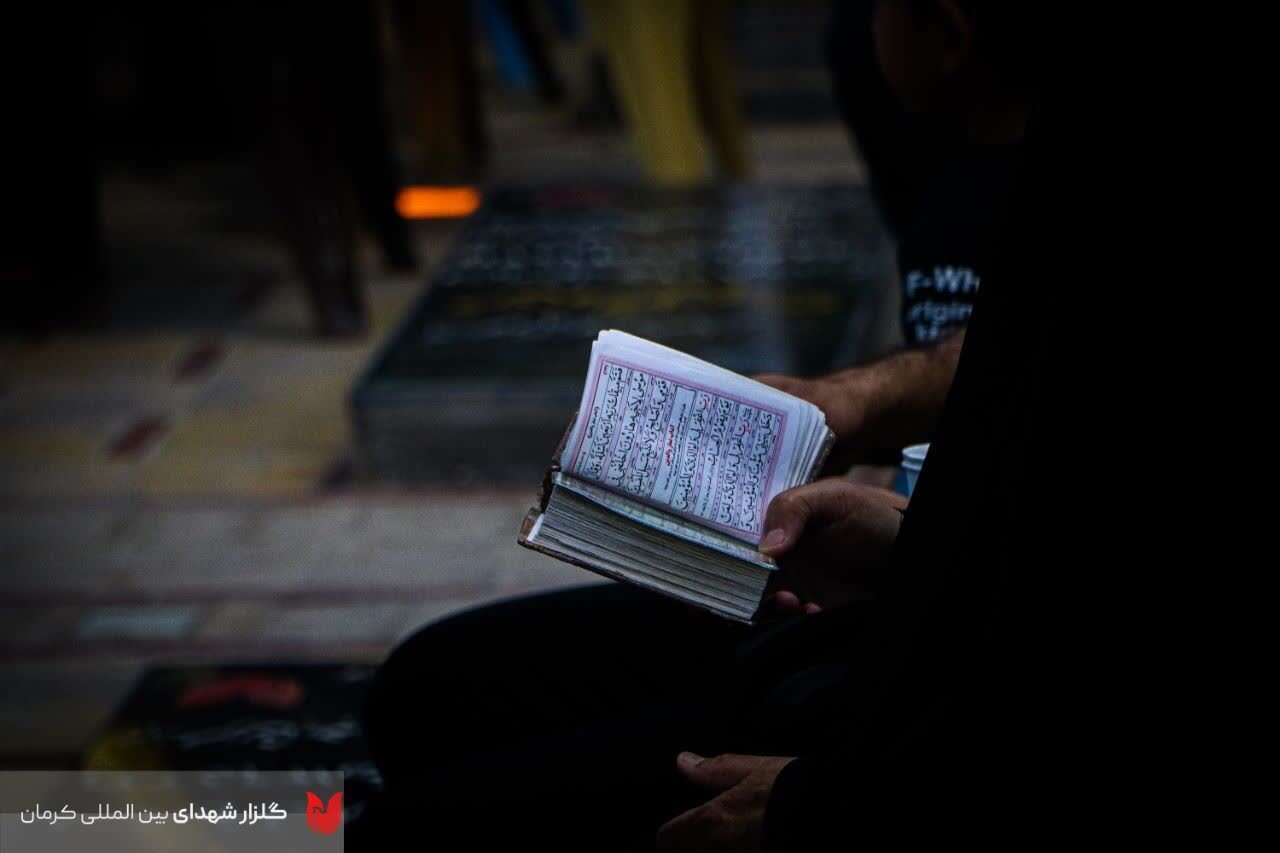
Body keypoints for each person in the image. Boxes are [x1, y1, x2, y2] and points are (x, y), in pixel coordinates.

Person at [355, 2, 1065, 848]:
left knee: (392, 828)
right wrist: (902, 535)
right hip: (901, 603)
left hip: (914, 744)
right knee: (420, 685)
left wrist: (816, 804)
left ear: (948, 34)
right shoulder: (962, 163)